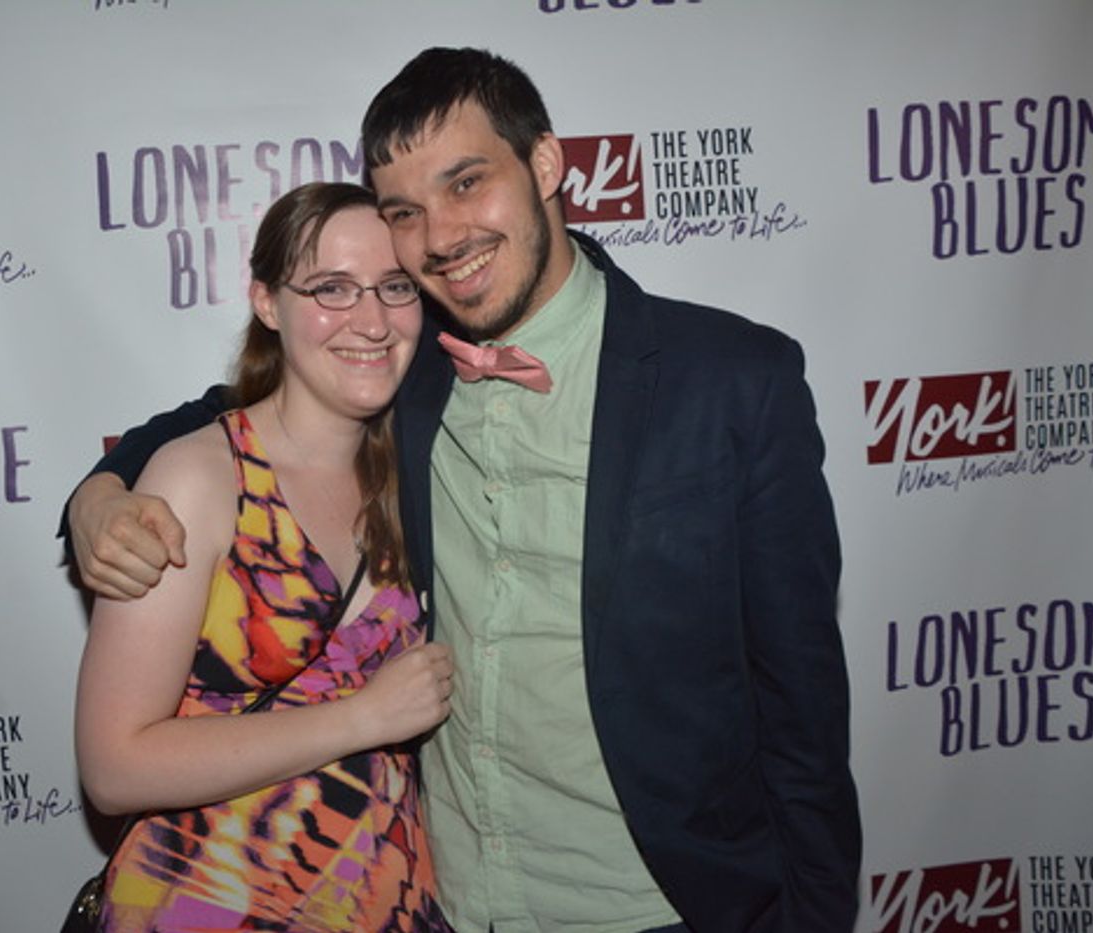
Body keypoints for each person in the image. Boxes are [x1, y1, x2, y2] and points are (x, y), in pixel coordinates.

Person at [67, 48, 861, 933]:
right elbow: (239, 410)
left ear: (547, 166)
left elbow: (804, 706)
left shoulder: (731, 381)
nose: (441, 235)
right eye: (406, 210)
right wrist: (96, 493)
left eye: (467, 183)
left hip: (660, 906)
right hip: (449, 902)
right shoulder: (402, 366)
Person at [73, 181, 454, 932]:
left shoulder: (420, 464)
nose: (371, 320)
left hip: (388, 900)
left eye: (394, 286)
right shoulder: (199, 477)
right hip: (210, 904)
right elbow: (114, 766)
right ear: (268, 302)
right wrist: (364, 717)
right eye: (332, 288)